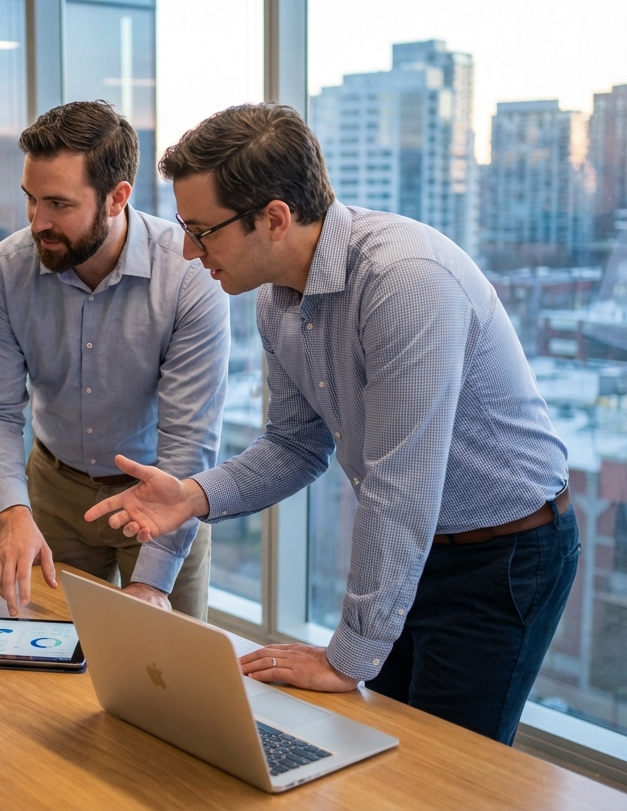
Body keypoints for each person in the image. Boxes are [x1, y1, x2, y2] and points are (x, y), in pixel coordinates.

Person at [86, 103, 580, 744]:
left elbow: (400, 487)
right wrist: (192, 497)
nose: (186, 249)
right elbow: (295, 444)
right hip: (422, 549)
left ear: (275, 218)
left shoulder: (405, 281)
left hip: (506, 553)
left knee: (450, 775)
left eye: (201, 230)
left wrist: (347, 655)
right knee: (391, 754)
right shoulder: (275, 298)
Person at [0, 100, 230, 620]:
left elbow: (190, 439)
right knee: (47, 664)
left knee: (166, 680)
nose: (38, 222)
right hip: (52, 491)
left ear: (117, 198)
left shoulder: (187, 273)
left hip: (160, 495)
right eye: (31, 199)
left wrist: (153, 579)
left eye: (59, 204)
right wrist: (12, 512)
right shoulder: (4, 271)